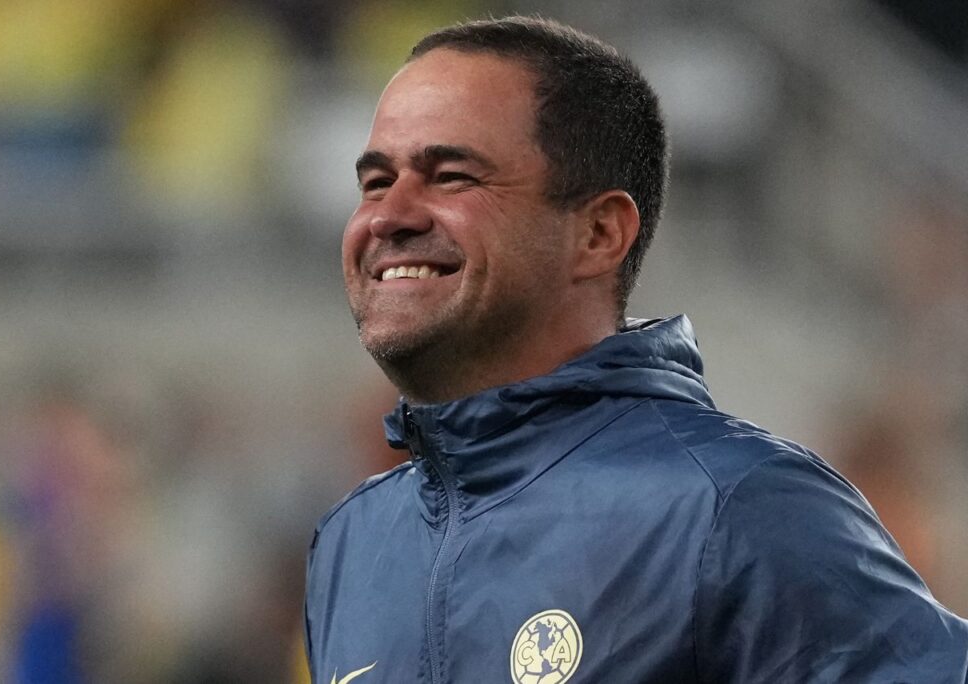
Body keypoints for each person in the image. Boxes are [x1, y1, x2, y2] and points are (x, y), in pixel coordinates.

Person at [304, 15, 968, 683]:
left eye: (451, 176)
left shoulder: (735, 508)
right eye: (375, 182)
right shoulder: (351, 541)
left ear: (598, 233)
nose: (388, 216)